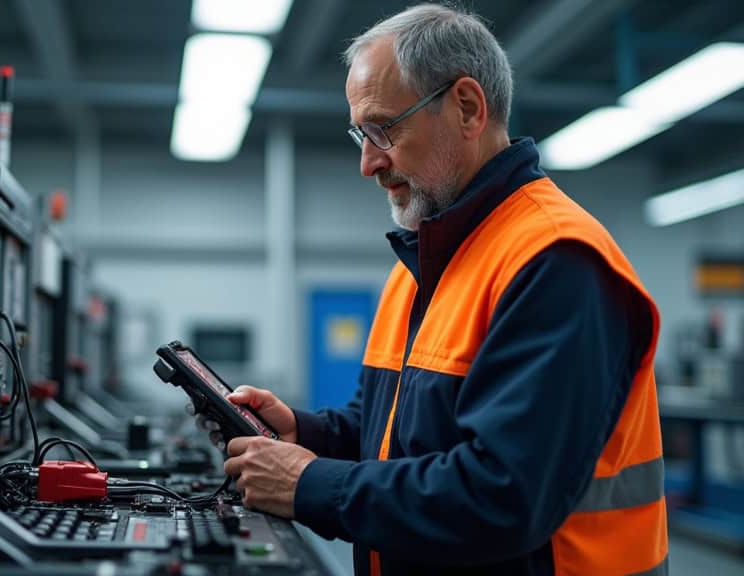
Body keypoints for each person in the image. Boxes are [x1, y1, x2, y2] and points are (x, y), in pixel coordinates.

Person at [218, 4, 668, 575]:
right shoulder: (422, 264)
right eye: (361, 133)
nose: (367, 163)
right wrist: (303, 432)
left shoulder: (557, 261)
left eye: (383, 129)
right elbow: (390, 433)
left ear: (467, 108)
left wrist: (309, 483)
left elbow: (502, 494)